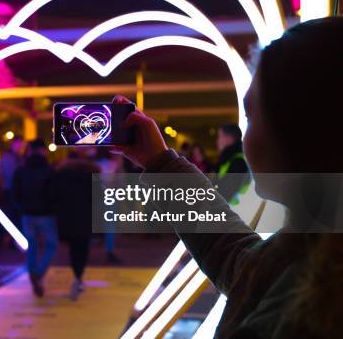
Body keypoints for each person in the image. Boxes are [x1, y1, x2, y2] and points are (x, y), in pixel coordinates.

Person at [112, 17, 343, 338]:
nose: (243, 136)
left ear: (295, 129)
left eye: (251, 115)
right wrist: (159, 161)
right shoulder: (312, 248)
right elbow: (244, 267)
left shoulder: (305, 315)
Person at [47, 150, 100, 300]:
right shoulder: (91, 173)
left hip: (68, 216)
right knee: (83, 247)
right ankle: (79, 275)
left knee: (73, 247)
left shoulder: (60, 175)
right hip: (86, 215)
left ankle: (77, 274)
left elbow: (53, 195)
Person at [12, 139, 56, 297]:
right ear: (44, 150)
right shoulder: (49, 170)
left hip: (27, 214)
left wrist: (21, 207)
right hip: (46, 214)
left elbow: (15, 192)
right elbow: (53, 193)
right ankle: (39, 272)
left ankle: (32, 271)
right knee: (51, 246)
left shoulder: (21, 170)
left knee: (32, 245)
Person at [216, 124, 251, 205]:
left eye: (219, 136)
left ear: (228, 139)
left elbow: (224, 194)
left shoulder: (238, 162)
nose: (217, 141)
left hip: (235, 211)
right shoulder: (229, 160)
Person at [0, 137, 24, 229]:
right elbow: (6, 173)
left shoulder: (18, 157)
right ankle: (9, 239)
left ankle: (9, 239)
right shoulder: (10, 157)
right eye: (20, 143)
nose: (21, 146)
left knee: (13, 216)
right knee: (12, 215)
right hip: (10, 189)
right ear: (13, 144)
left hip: (11, 189)